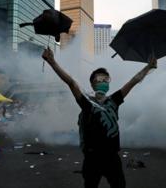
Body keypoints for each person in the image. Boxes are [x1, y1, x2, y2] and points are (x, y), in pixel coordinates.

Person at [42, 47, 157, 188]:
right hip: (92, 158)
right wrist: (52, 62)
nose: (103, 81)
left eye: (106, 79)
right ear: (92, 83)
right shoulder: (86, 102)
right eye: (99, 78)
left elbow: (133, 81)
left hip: (112, 157)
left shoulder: (114, 100)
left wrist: (148, 67)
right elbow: (71, 82)